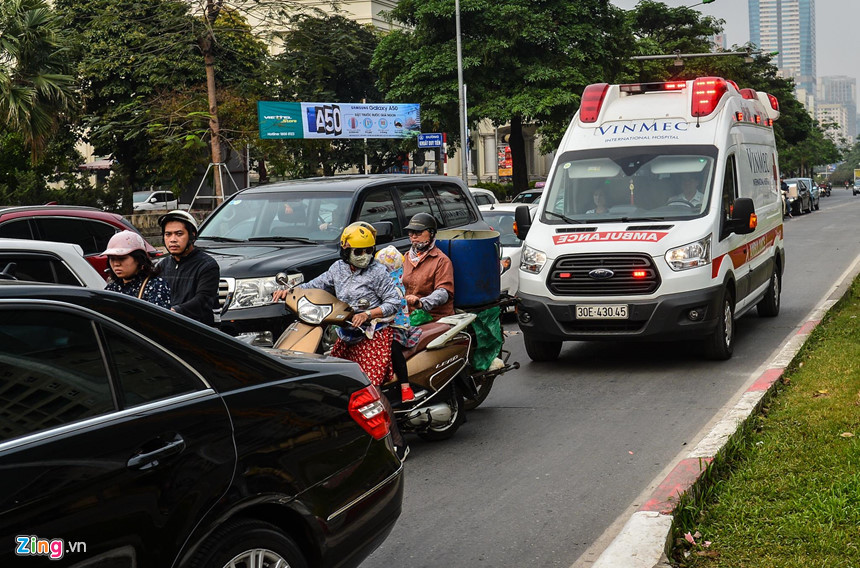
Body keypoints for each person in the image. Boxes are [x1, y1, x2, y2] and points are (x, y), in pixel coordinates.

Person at [272, 222, 410, 460]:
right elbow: (315, 286)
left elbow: (393, 302)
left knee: (370, 389)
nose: (364, 256)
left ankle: (397, 441)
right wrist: (289, 291)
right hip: (346, 334)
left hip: (373, 335)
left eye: (368, 250)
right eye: (359, 251)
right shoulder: (337, 268)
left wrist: (368, 314)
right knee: (331, 382)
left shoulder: (377, 272)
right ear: (346, 251)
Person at [375, 245, 423, 403]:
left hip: (396, 326)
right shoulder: (376, 283)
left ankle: (405, 386)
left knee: (393, 348)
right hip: (378, 326)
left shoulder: (394, 287)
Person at [157, 210, 220, 327]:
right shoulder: (162, 265)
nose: (173, 239)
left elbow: (202, 301)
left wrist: (174, 311)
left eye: (179, 234)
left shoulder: (207, 265)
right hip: (168, 327)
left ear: (192, 235)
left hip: (200, 330)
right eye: (168, 234)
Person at [402, 212, 455, 320]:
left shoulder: (441, 260)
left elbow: (443, 292)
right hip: (410, 317)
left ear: (431, 233)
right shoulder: (406, 257)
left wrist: (421, 303)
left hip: (435, 318)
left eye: (419, 232)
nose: (414, 236)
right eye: (411, 233)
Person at [103, 230, 171, 308]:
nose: (116, 264)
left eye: (122, 259)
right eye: (112, 259)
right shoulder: (112, 287)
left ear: (138, 259)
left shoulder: (156, 285)